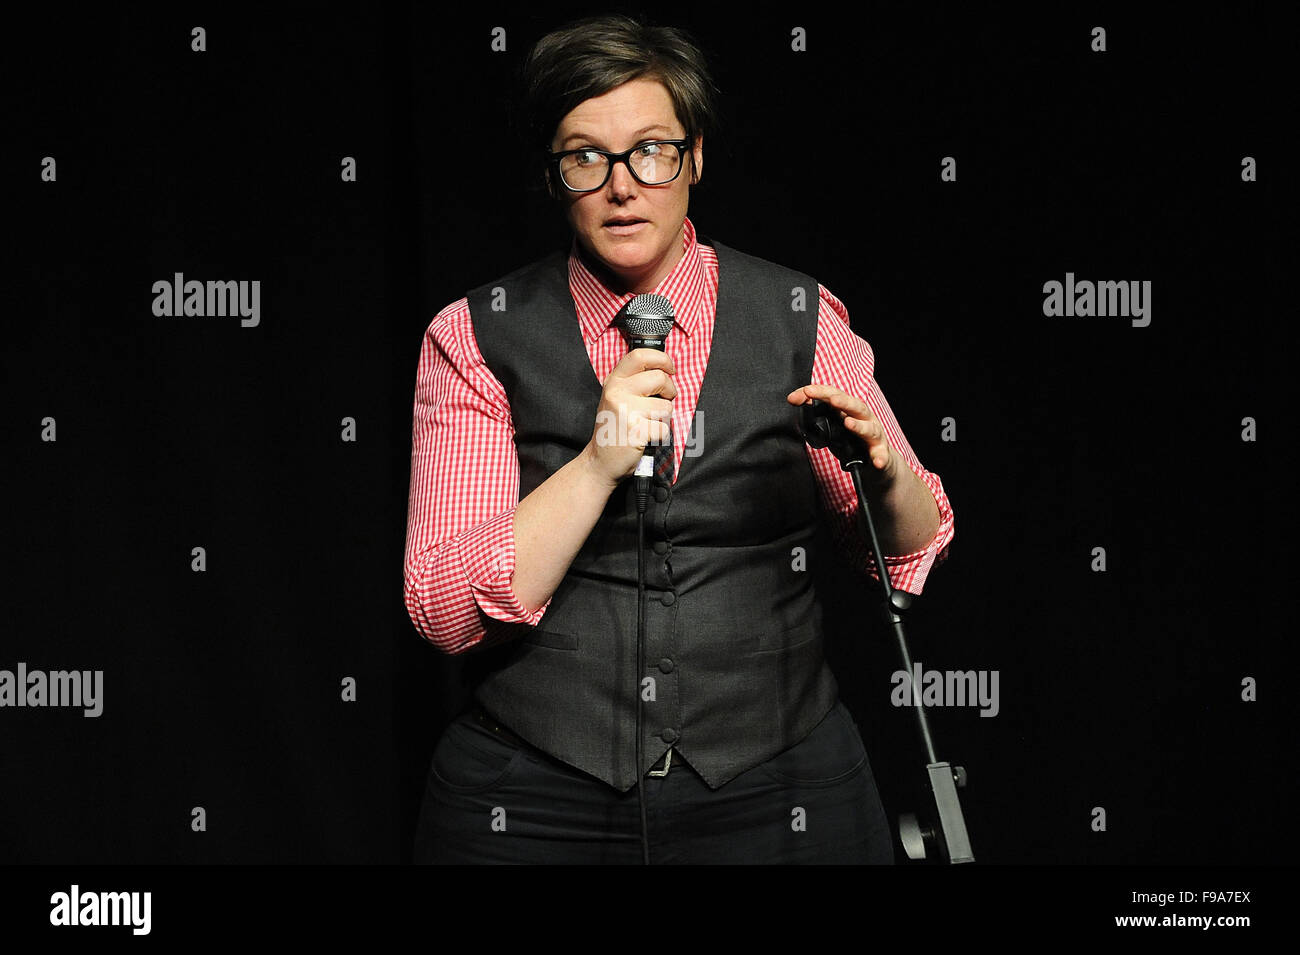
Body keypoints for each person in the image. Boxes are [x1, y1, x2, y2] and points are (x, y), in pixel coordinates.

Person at [404, 13, 955, 864]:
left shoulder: (800, 317)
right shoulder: (476, 335)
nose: (623, 184)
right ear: (555, 177)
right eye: (586, 156)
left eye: (651, 150)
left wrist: (883, 473)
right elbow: (444, 610)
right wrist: (596, 464)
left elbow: (914, 546)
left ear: (695, 155)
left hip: (778, 784)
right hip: (537, 795)